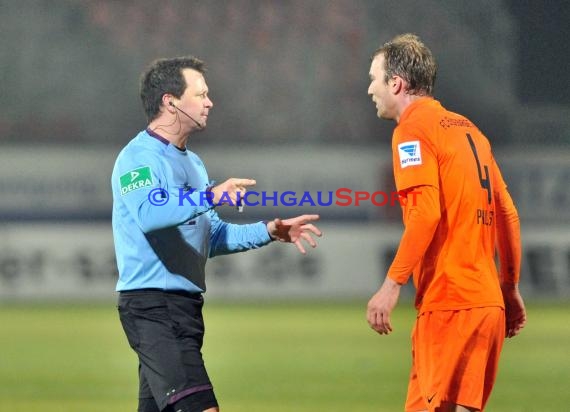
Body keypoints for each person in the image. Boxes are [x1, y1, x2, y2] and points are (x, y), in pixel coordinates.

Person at [111, 56, 322, 412]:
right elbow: (150, 213)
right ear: (170, 101)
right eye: (201, 94)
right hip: (153, 307)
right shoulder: (138, 158)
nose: (210, 102)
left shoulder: (192, 163)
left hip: (184, 310)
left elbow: (209, 236)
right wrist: (209, 194)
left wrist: (269, 230)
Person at [365, 34, 527, 412]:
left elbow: (426, 213)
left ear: (396, 83)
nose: (370, 87)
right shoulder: (469, 130)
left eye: (374, 78)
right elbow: (508, 215)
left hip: (450, 304)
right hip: (486, 305)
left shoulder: (412, 130)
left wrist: (392, 285)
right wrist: (509, 287)